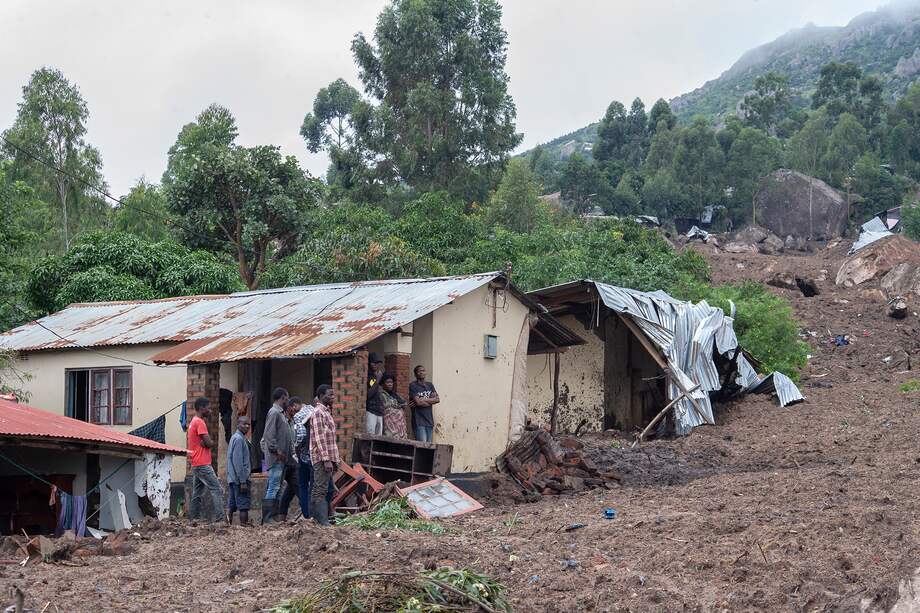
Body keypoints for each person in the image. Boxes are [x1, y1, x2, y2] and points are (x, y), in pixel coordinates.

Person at [187, 397, 224, 522]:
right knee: (217, 489)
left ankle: (193, 519)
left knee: (197, 493)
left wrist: (205, 442)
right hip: (202, 463)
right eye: (208, 408)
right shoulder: (200, 422)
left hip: (196, 463)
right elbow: (209, 443)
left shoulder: (194, 421)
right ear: (202, 408)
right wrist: (209, 442)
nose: (210, 411)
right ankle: (220, 519)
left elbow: (205, 442)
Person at [259, 387, 291, 524]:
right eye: (287, 398)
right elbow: (269, 435)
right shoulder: (274, 413)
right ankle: (268, 518)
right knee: (273, 487)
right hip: (276, 458)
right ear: (282, 398)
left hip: (282, 458)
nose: (288, 401)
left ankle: (274, 516)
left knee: (278, 487)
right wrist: (277, 451)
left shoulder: (280, 413)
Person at [309, 384, 339, 526]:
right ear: (321, 396)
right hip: (321, 458)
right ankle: (322, 521)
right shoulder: (318, 413)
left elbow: (331, 439)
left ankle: (321, 519)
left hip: (328, 458)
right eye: (329, 395)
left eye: (333, 395)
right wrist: (326, 460)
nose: (332, 397)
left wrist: (334, 460)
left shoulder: (327, 412)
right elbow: (320, 438)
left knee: (326, 488)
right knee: (320, 488)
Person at [276, 397, 303, 521]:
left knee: (292, 488)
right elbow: (265, 441)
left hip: (291, 461)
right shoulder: (280, 421)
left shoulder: (293, 422)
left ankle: (281, 517)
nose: (296, 411)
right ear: (289, 408)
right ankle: (269, 518)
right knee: (276, 488)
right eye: (294, 408)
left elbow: (293, 443)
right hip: (281, 460)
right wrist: (276, 454)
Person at [226, 415, 252, 525]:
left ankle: (227, 525)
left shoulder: (237, 438)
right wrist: (242, 481)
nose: (247, 426)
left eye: (248, 424)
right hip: (239, 479)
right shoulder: (239, 439)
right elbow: (238, 462)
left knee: (231, 504)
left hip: (233, 478)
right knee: (243, 505)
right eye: (244, 424)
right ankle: (244, 525)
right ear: (238, 425)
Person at [409, 365, 440, 443]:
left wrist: (423, 400)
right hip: (418, 421)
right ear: (415, 374)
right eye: (419, 371)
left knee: (428, 446)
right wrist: (430, 401)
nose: (422, 372)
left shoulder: (430, 385)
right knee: (422, 445)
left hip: (429, 421)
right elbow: (418, 402)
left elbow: (437, 399)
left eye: (423, 370)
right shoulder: (413, 385)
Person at [380, 373, 408, 439]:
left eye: (391, 382)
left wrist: (397, 405)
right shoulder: (381, 394)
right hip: (389, 425)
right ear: (383, 384)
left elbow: (404, 403)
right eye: (387, 382)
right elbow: (387, 405)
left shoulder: (394, 394)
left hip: (399, 426)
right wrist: (398, 406)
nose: (390, 384)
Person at [365, 352, 385, 435]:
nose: (376, 365)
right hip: (370, 411)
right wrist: (377, 380)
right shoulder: (368, 376)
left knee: (378, 440)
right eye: (374, 363)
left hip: (379, 412)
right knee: (370, 436)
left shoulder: (376, 375)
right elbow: (369, 395)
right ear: (369, 363)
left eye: (378, 363)